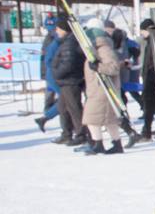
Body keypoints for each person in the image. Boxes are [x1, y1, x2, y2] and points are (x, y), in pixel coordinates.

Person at [80, 18, 131, 154]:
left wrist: (98, 66)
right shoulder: (98, 49)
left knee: (91, 118)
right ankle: (117, 143)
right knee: (110, 120)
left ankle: (98, 144)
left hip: (102, 90)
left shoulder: (104, 49)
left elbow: (113, 68)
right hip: (98, 89)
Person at [50, 16, 85, 145]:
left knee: (74, 108)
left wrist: (57, 74)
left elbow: (68, 63)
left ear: (64, 29)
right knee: (63, 107)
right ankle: (66, 133)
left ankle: (81, 133)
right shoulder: (66, 42)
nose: (56, 31)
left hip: (70, 80)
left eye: (58, 28)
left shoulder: (69, 43)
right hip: (65, 81)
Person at [137, 19, 155, 140]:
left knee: (149, 107)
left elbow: (151, 63)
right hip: (152, 79)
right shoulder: (152, 40)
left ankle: (146, 132)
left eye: (142, 31)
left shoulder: (153, 41)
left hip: (152, 79)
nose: (141, 34)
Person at [35, 27, 61, 133]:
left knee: (63, 99)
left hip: (52, 74)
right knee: (66, 99)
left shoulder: (52, 39)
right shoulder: (56, 41)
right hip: (55, 75)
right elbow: (48, 59)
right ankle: (46, 114)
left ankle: (46, 115)